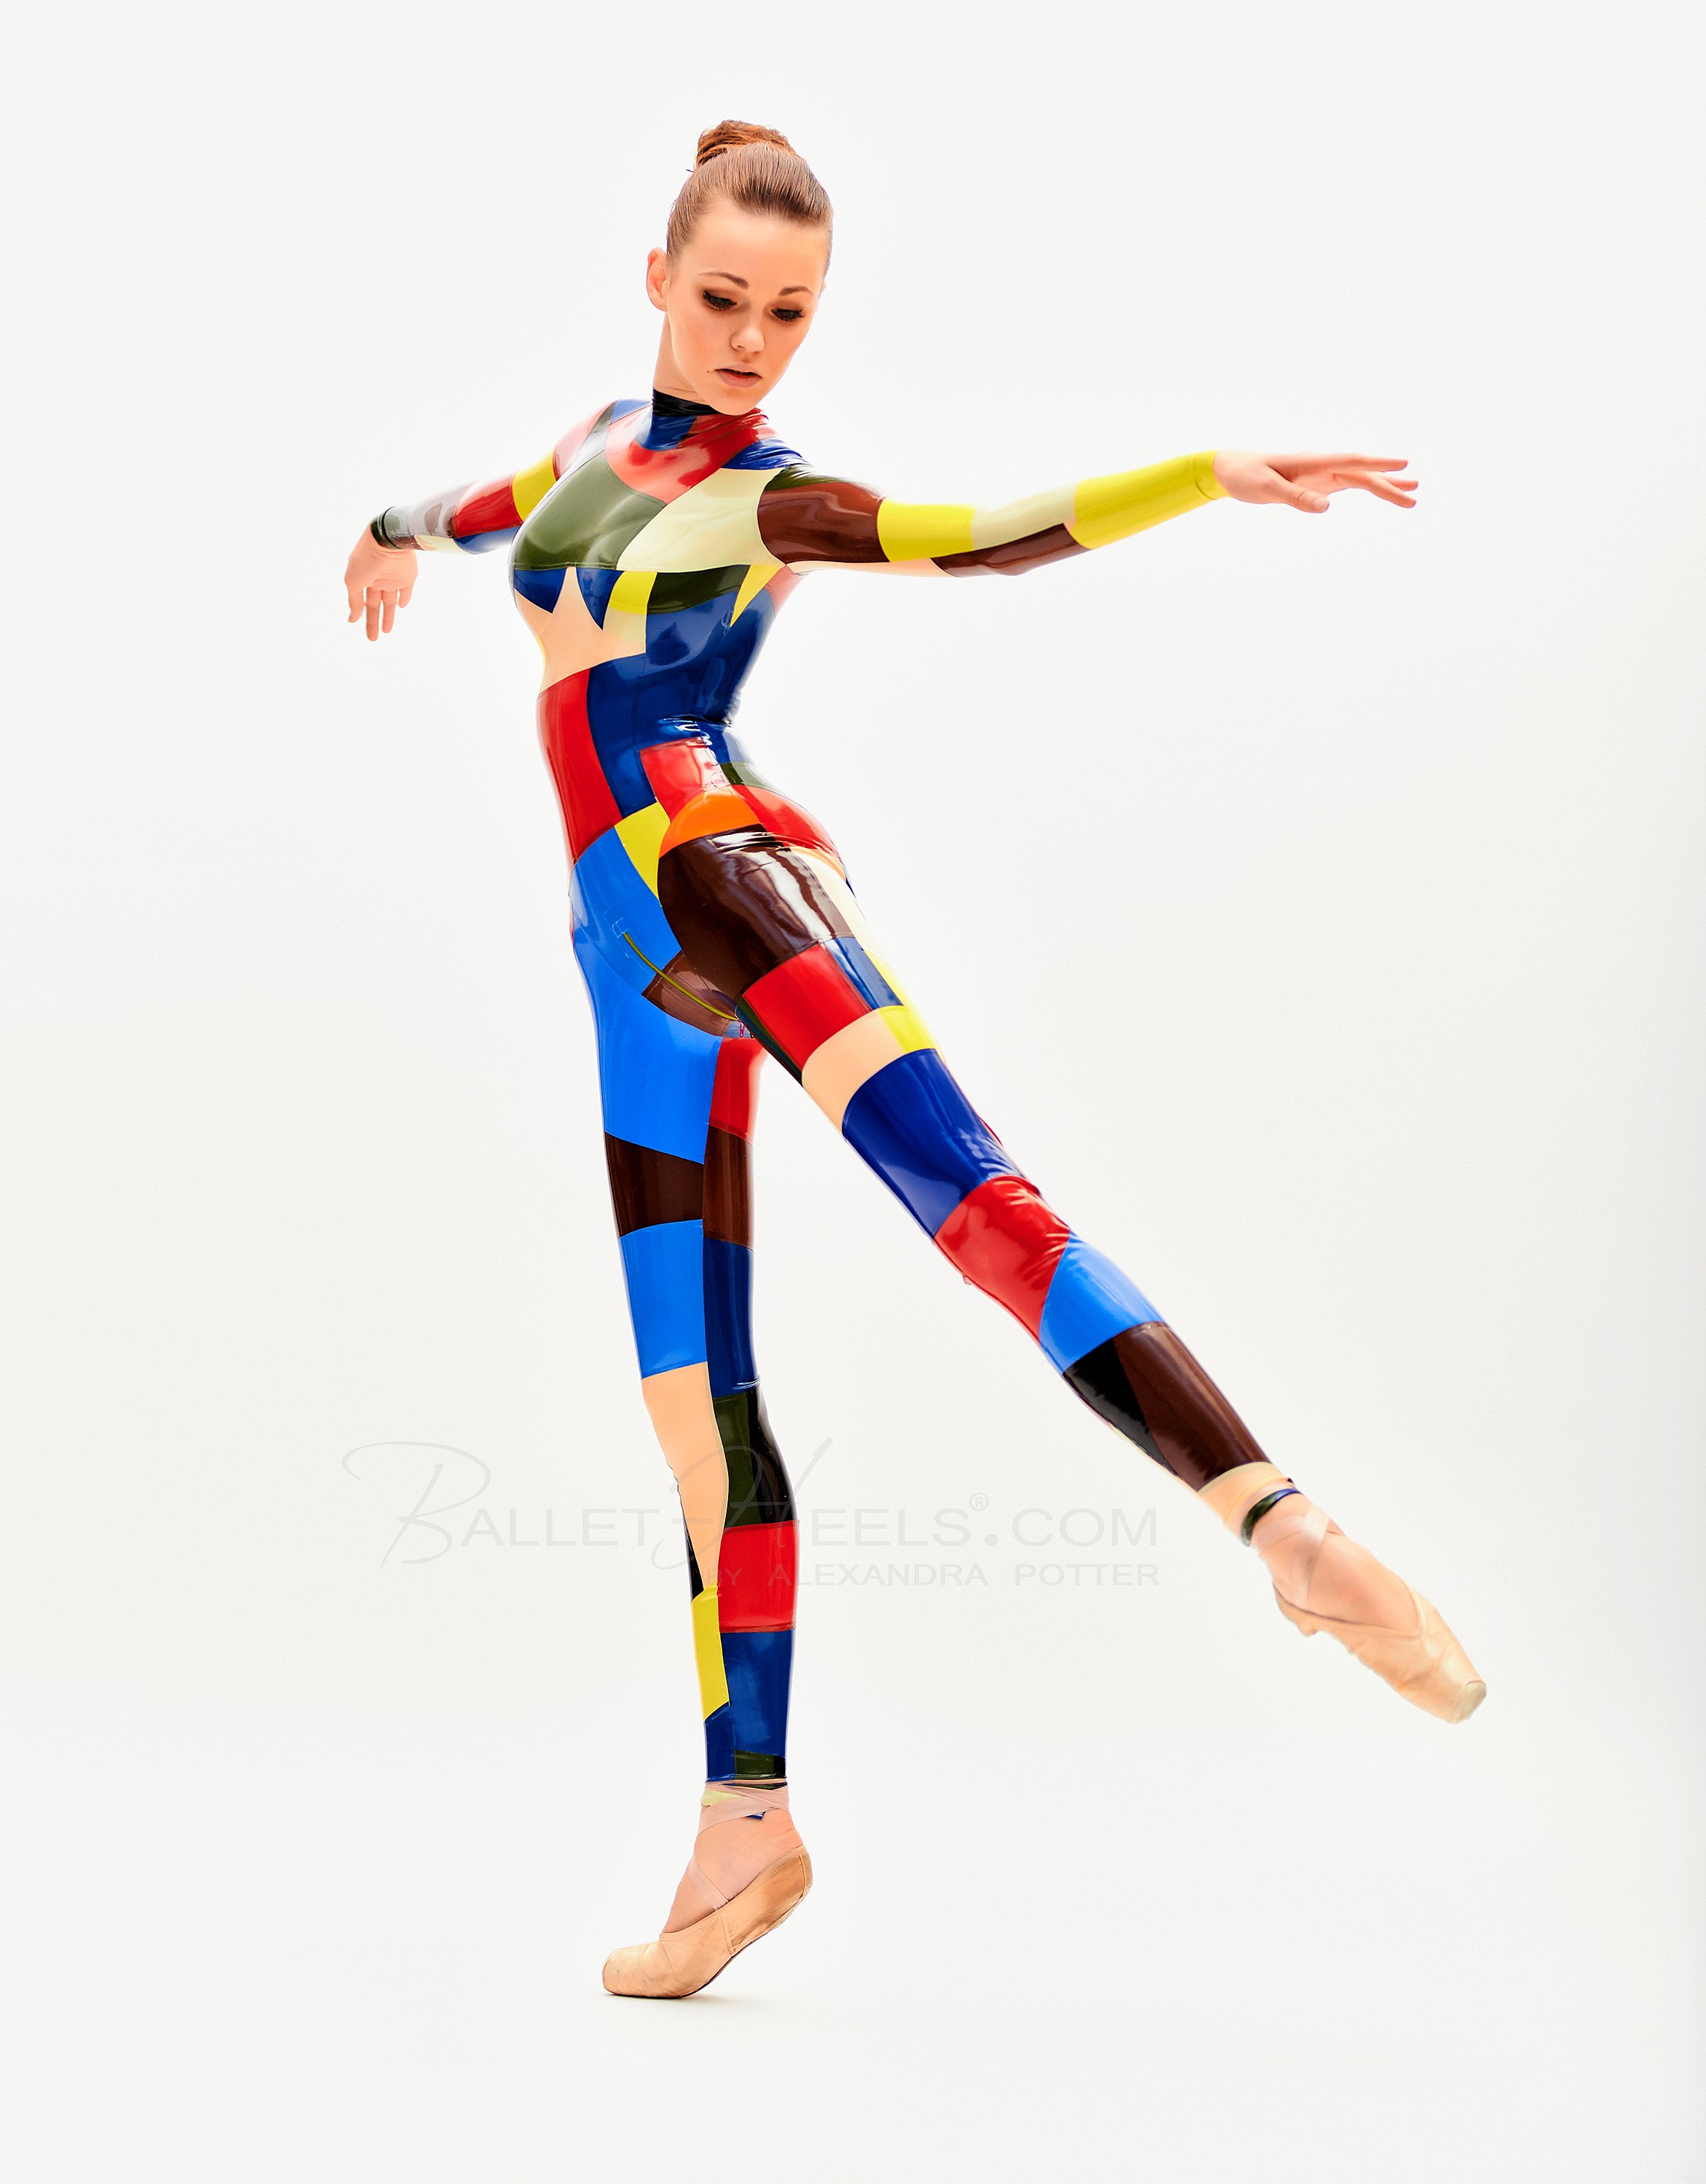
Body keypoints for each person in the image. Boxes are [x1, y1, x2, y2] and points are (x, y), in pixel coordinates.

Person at [342, 119, 1485, 2001]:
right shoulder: (593, 447)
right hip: (622, 951)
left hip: (716, 869)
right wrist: (386, 533)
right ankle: (745, 1818)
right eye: (722, 297)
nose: (749, 340)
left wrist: (1204, 475)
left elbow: (978, 539)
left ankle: (1286, 1532)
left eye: (789, 313)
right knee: (691, 1403)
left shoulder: (771, 494)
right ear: (656, 278)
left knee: (975, 1201)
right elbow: (483, 512)